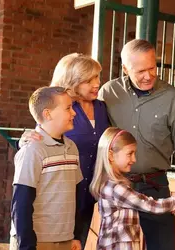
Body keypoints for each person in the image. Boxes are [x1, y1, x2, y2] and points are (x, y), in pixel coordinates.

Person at [98, 39, 175, 250]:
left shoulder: (172, 98)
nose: (148, 76)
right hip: (118, 188)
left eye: (152, 68)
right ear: (125, 68)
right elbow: (91, 131)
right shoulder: (108, 93)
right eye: (140, 71)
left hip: (155, 185)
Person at [19, 53, 111, 248]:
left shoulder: (102, 107)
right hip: (66, 197)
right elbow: (41, 135)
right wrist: (25, 140)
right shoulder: (64, 108)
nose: (97, 84)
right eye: (89, 80)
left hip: (96, 196)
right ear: (73, 81)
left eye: (98, 77)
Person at [89, 127, 175, 250]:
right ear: (111, 155)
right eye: (130, 153)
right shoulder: (116, 189)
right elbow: (153, 206)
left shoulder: (110, 185)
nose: (134, 159)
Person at [10, 86, 83, 250]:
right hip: (37, 242)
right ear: (47, 114)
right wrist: (27, 246)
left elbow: (76, 195)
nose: (74, 113)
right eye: (68, 108)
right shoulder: (32, 150)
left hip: (66, 239)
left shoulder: (72, 147)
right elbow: (20, 203)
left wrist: (75, 235)